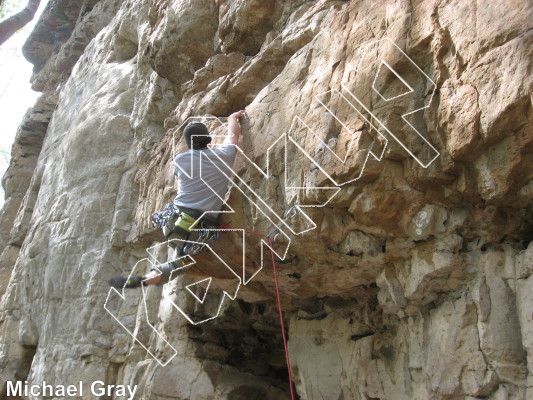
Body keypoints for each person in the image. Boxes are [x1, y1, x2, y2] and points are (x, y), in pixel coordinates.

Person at [109, 110, 246, 289]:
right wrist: (232, 118)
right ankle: (154, 275)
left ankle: (151, 276)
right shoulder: (224, 156)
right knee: (181, 259)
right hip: (198, 226)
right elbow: (232, 135)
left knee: (180, 258)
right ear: (208, 139)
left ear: (189, 144)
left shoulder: (180, 160)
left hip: (173, 221)